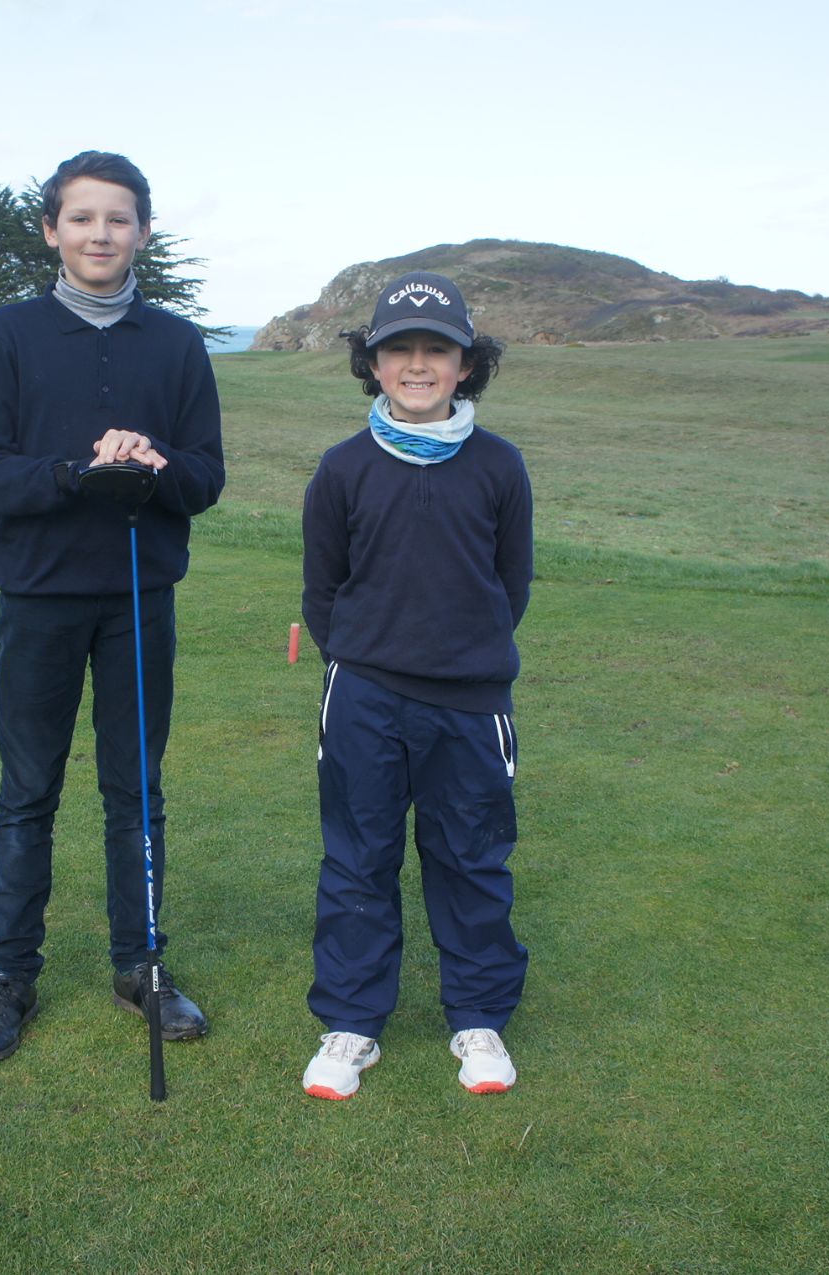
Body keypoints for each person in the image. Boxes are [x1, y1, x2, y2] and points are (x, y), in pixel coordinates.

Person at [0, 150, 226, 1063]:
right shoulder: (10, 335)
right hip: (39, 598)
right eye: (81, 217)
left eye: (117, 218)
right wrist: (78, 473)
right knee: (28, 791)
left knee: (135, 792)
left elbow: (205, 477)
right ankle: (10, 976)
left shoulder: (177, 344)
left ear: (143, 230)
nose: (99, 234)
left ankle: (139, 964)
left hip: (139, 600)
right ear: (51, 231)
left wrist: (152, 463)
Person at [298, 271, 533, 1099]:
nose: (420, 364)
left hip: (470, 703)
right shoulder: (342, 467)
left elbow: (511, 585)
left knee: (470, 858)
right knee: (358, 860)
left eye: (439, 349)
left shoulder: (500, 465)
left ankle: (479, 1018)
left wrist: (460, 654)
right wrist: (366, 659)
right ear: (374, 363)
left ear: (468, 365)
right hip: (364, 697)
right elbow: (323, 591)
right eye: (400, 349)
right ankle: (352, 1022)